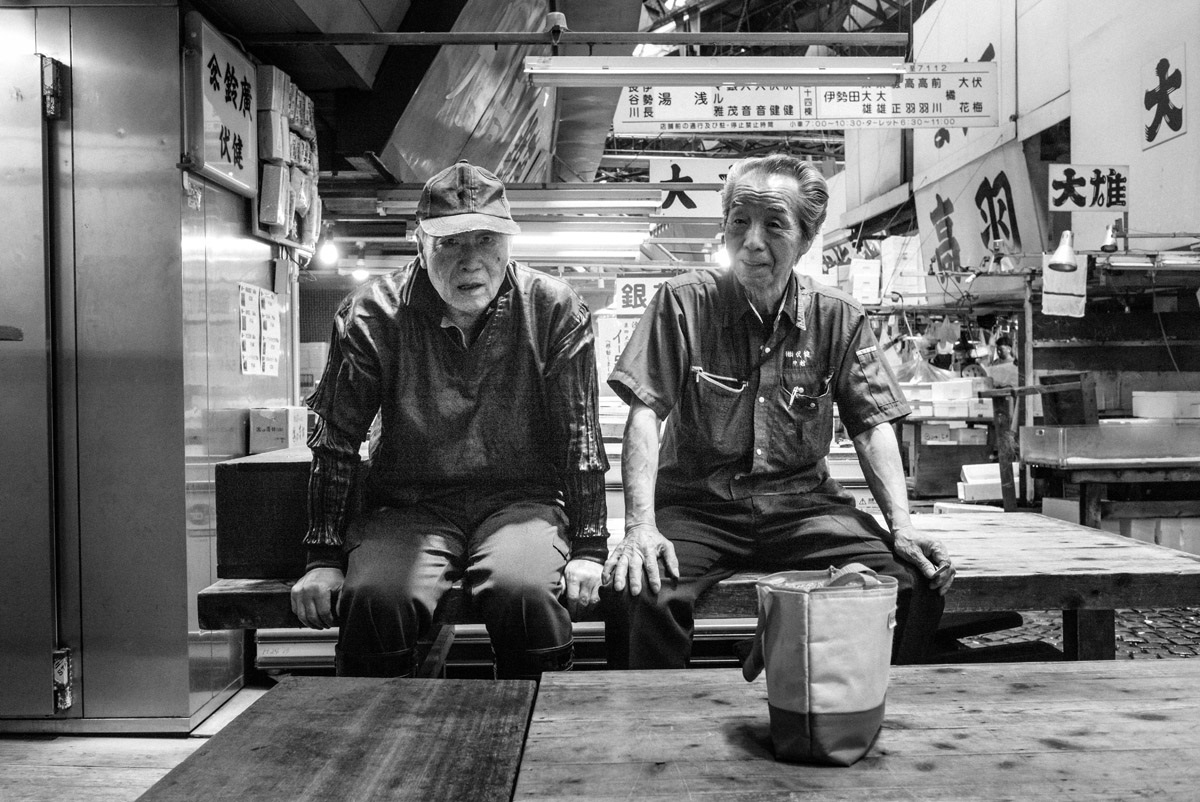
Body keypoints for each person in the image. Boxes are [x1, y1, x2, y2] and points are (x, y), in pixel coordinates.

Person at [603, 153, 954, 669]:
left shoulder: (837, 317)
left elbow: (871, 426)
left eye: (774, 224)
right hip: (699, 508)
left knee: (909, 583)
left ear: (806, 239)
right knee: (639, 590)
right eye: (739, 221)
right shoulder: (683, 303)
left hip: (803, 508)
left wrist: (901, 525)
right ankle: (656, 719)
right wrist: (639, 526)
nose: (751, 241)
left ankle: (850, 704)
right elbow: (645, 414)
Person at [290, 160, 609, 679]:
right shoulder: (372, 314)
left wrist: (591, 548)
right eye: (451, 243)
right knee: (375, 599)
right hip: (408, 506)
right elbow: (336, 441)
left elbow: (580, 436)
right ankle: (380, 727)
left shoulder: (554, 309)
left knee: (524, 594)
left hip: (520, 504)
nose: (471, 261)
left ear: (509, 243)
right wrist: (322, 557)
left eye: (486, 240)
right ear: (420, 244)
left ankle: (536, 720)